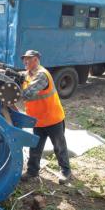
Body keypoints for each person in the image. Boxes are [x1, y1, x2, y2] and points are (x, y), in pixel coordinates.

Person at [19, 50, 71, 184]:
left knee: (59, 146)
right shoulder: (28, 74)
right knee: (35, 147)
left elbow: (28, 94)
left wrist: (9, 92)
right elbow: (18, 76)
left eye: (28, 59)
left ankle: (66, 171)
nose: (25, 62)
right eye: (24, 59)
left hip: (52, 119)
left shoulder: (41, 75)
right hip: (38, 120)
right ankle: (32, 172)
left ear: (36, 60)